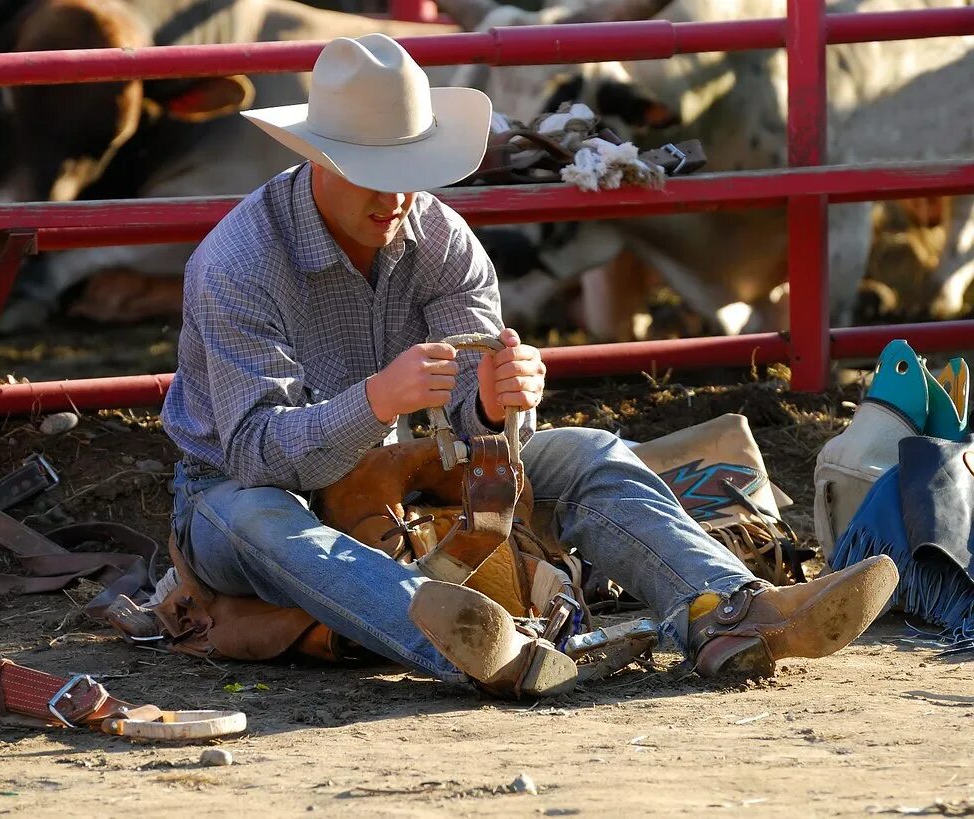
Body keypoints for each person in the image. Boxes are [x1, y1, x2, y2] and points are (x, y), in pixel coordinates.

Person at [160, 33, 898, 698]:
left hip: (397, 474)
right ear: (317, 157)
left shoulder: (441, 240)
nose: (395, 195)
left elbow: (488, 433)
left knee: (586, 450)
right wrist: (378, 400)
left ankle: (727, 609)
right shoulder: (237, 263)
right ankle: (469, 639)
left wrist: (495, 404)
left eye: (409, 168)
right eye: (369, 171)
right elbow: (256, 452)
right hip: (234, 489)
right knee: (259, 519)